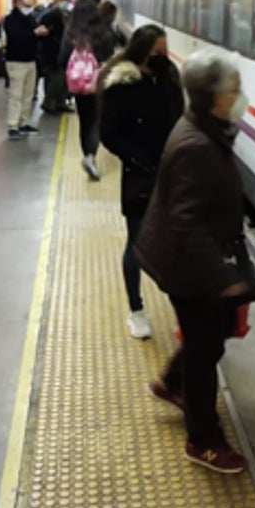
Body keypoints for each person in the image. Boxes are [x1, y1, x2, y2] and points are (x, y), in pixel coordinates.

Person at [134, 48, 253, 475]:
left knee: (213, 334)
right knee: (206, 353)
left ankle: (171, 381)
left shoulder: (204, 128)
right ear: (213, 96)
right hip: (188, 265)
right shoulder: (197, 145)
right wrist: (224, 279)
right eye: (234, 90)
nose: (241, 96)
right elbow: (186, 224)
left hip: (187, 258)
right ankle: (202, 440)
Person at [98, 25, 184, 339]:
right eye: (157, 50)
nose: (162, 55)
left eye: (164, 49)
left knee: (176, 246)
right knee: (136, 244)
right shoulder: (122, 84)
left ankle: (182, 311)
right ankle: (136, 311)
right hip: (141, 175)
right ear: (144, 49)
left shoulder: (169, 76)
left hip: (171, 173)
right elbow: (109, 133)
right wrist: (138, 160)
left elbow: (180, 116)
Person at [59, 0, 122, 180]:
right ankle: (90, 156)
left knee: (85, 121)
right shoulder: (102, 32)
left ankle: (87, 154)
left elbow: (62, 59)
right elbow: (109, 56)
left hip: (79, 84)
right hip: (98, 83)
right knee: (96, 120)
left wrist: (76, 70)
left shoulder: (70, 33)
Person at [2, 0, 46, 139]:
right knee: (16, 95)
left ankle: (24, 121)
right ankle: (12, 125)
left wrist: (39, 32)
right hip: (16, 61)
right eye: (27, 5)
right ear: (18, 4)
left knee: (28, 94)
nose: (30, 8)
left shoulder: (29, 18)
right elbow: (15, 38)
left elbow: (32, 33)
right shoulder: (10, 20)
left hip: (30, 60)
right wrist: (34, 32)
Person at [38, 0, 71, 115]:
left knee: (62, 80)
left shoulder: (65, 15)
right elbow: (43, 33)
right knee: (55, 78)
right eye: (63, 2)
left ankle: (60, 102)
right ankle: (48, 102)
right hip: (51, 52)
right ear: (57, 2)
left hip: (62, 51)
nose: (65, 4)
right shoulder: (49, 16)